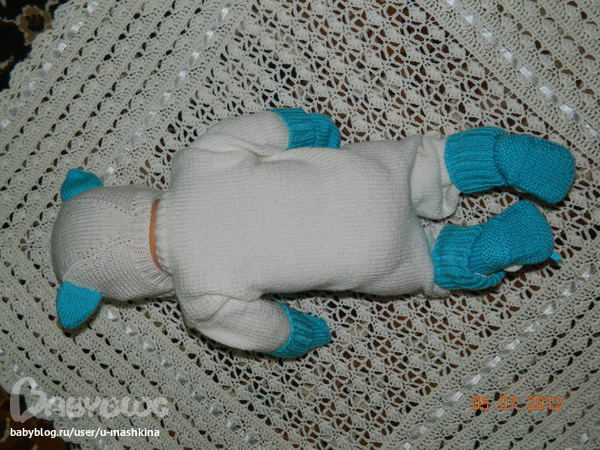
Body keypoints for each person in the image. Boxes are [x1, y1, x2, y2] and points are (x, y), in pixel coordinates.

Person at [50, 109, 575, 358]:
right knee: (427, 165)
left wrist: (298, 337)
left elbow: (270, 330)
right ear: (118, 195)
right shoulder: (196, 160)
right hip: (366, 180)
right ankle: (493, 157)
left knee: (428, 262)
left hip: (372, 255)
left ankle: (487, 249)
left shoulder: (202, 298)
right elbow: (270, 129)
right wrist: (310, 132)